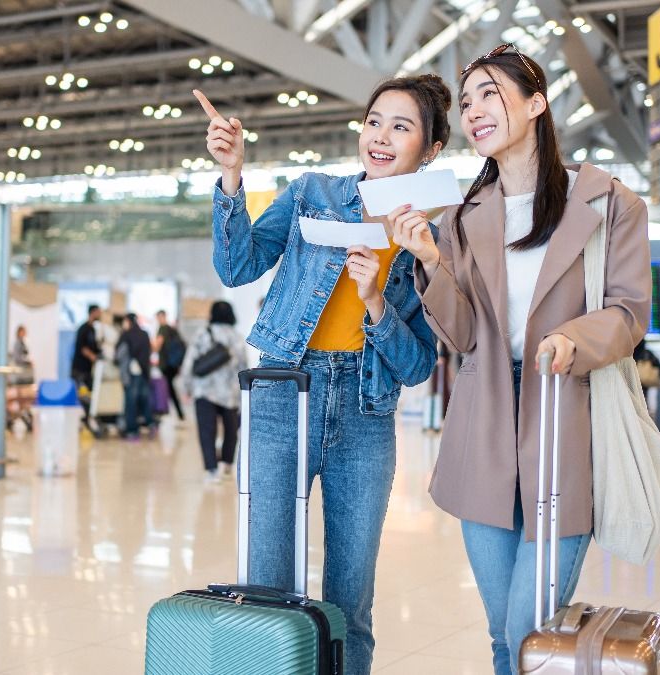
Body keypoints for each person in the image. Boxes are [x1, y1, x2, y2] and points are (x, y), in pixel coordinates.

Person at [396, 45, 650, 675]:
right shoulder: (461, 219)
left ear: (537, 103)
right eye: (467, 101)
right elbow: (460, 335)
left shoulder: (610, 203)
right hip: (481, 430)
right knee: (501, 633)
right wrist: (430, 261)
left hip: (562, 419)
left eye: (490, 93)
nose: (476, 110)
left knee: (527, 626)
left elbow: (627, 312)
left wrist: (575, 340)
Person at [196, 73, 450, 674]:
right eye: (374, 122)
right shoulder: (313, 192)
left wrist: (376, 304)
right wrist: (233, 177)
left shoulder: (429, 242)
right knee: (265, 588)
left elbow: (417, 366)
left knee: (349, 601)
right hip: (285, 394)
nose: (381, 138)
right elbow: (237, 267)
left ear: (432, 150)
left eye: (402, 127)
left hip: (366, 413)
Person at [184, 300, 248, 484]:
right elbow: (243, 366)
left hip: (204, 390)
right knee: (230, 430)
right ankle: (226, 465)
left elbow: (189, 363)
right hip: (231, 392)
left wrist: (186, 387)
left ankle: (211, 469)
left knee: (207, 430)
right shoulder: (236, 337)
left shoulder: (202, 334)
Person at [116, 312, 154, 440]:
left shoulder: (126, 335)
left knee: (131, 401)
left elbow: (120, 354)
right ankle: (150, 423)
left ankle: (132, 430)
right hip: (144, 371)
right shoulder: (144, 334)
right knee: (144, 398)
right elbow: (149, 352)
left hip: (132, 372)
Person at [153, 310, 187, 421]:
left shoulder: (162, 328)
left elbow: (157, 346)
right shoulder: (173, 329)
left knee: (169, 388)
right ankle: (178, 413)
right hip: (174, 364)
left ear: (161, 317)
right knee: (170, 388)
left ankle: (173, 412)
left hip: (166, 364)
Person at [70, 305, 103, 401]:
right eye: (98, 312)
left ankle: (87, 415)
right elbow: (82, 348)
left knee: (89, 395)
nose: (100, 315)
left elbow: (95, 348)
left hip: (87, 370)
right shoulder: (83, 329)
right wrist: (93, 357)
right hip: (80, 369)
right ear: (92, 312)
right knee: (83, 395)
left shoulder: (93, 329)